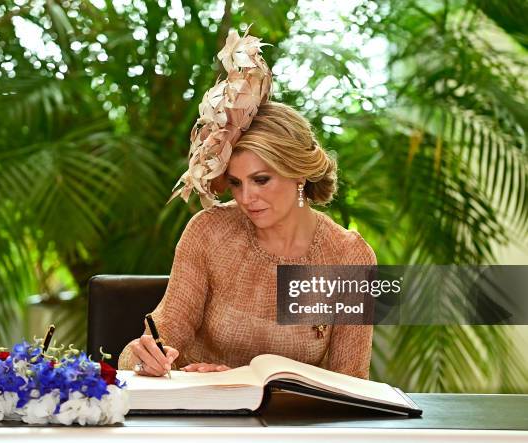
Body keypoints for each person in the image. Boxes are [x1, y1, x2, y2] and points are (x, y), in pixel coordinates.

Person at [118, 28, 376, 379]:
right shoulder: (209, 232)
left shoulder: (349, 258)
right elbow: (161, 337)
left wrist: (245, 385)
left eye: (261, 179)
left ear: (298, 172)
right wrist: (141, 355)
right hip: (201, 424)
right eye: (236, 183)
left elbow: (351, 385)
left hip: (292, 432)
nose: (245, 197)